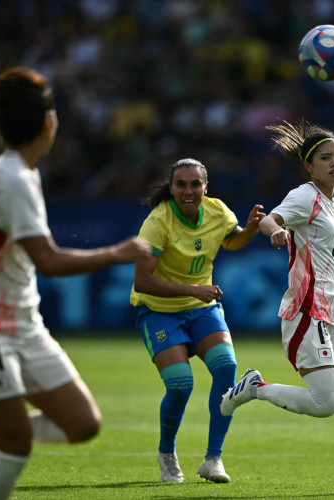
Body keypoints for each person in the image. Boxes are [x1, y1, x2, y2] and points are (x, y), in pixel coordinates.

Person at [0, 67, 150, 499]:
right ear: (46, 123)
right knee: (17, 448)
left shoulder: (22, 172)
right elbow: (49, 261)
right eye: (52, 109)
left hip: (25, 324)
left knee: (82, 424)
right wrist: (117, 252)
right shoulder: (13, 179)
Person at [220, 121, 334, 496]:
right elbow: (269, 218)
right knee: (326, 404)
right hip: (306, 314)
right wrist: (274, 231)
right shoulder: (304, 196)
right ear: (309, 167)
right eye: (325, 158)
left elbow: (331, 258)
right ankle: (256, 387)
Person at [130, 158, 265, 483]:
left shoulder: (218, 212)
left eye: (195, 184)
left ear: (206, 187)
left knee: (226, 367)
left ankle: (213, 458)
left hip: (202, 309)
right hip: (159, 310)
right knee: (180, 385)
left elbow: (231, 241)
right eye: (181, 184)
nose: (188, 191)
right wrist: (193, 289)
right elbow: (142, 281)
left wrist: (248, 230)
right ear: (172, 187)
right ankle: (166, 453)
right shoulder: (158, 222)